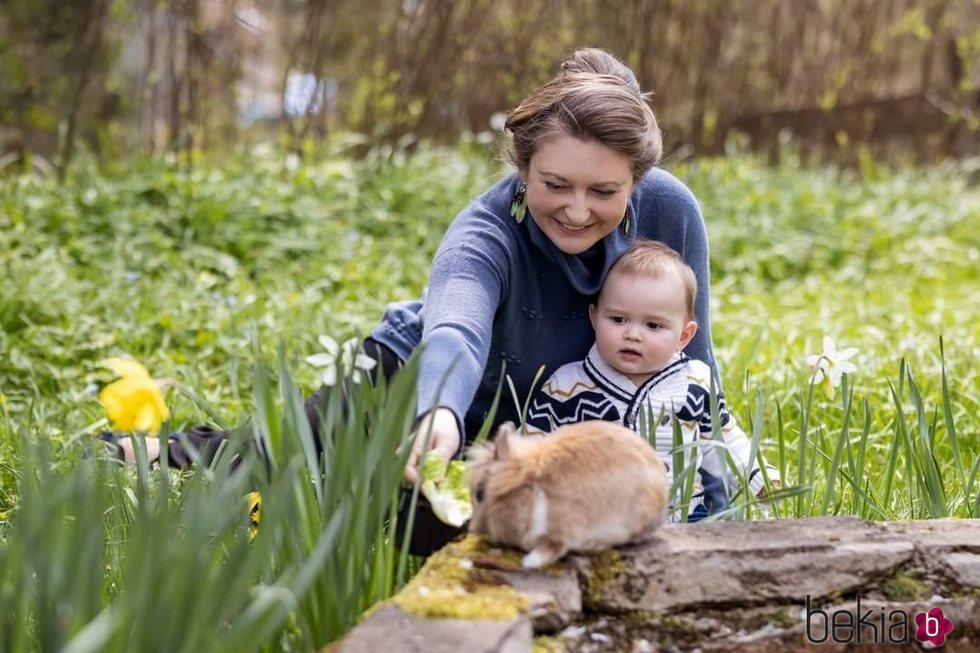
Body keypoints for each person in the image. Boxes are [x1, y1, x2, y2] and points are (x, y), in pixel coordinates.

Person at [105, 47, 722, 552]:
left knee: (456, 537)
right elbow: (454, 329)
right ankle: (156, 449)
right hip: (417, 388)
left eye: (604, 191)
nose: (577, 209)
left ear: (636, 183)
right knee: (273, 454)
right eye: (554, 184)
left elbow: (695, 354)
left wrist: (714, 471)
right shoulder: (486, 232)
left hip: (534, 422)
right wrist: (439, 413)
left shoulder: (669, 210)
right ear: (522, 168)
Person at [524, 240, 777, 520]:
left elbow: (722, 440)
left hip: (684, 515)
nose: (633, 334)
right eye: (618, 319)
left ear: (684, 336)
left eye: (653, 325)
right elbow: (536, 447)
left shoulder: (694, 382)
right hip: (597, 521)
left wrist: (759, 478)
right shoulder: (568, 386)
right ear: (594, 317)